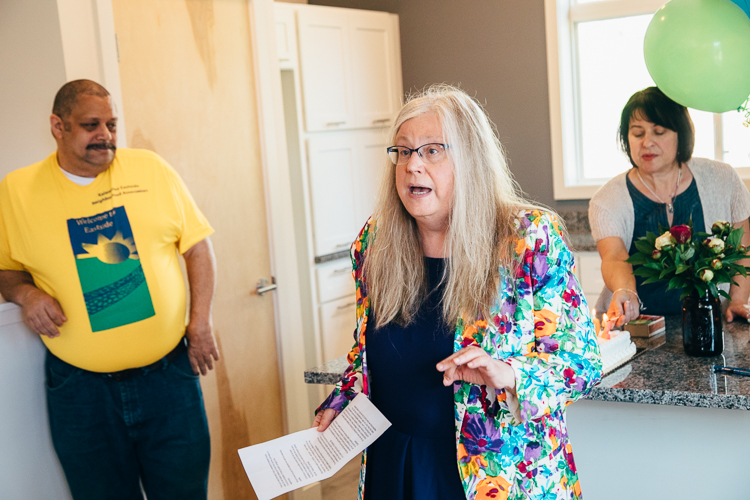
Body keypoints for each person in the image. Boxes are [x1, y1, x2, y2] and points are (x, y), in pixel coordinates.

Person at [313, 85, 602, 500]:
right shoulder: (375, 243)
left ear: (470, 159)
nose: (413, 166)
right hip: (393, 466)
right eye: (404, 151)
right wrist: (341, 400)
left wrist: (511, 373)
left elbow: (582, 362)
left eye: (432, 151)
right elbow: (366, 355)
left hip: (496, 474)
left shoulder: (528, 239)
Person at [0, 80, 219, 500]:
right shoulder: (17, 191)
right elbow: (6, 270)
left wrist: (201, 321)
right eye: (90, 124)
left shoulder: (150, 170)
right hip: (81, 394)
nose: (105, 135)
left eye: (111, 124)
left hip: (169, 380)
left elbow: (197, 246)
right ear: (57, 126)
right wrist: (28, 296)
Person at [589, 86, 750, 325]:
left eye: (659, 131)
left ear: (680, 134)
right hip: (638, 328)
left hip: (712, 321)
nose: (647, 142)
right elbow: (614, 256)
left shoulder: (723, 178)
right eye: (637, 133)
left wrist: (737, 301)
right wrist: (626, 292)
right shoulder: (607, 199)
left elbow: (742, 250)